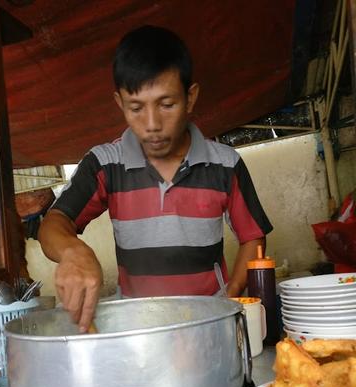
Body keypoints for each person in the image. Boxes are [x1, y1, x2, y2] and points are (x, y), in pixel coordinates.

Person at [38, 25, 273, 332]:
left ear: (190, 98)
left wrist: (230, 297)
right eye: (136, 108)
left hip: (209, 323)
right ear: (120, 103)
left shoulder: (225, 164)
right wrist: (73, 251)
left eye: (166, 104)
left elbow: (253, 237)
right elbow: (54, 224)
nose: (152, 124)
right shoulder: (105, 163)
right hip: (138, 328)